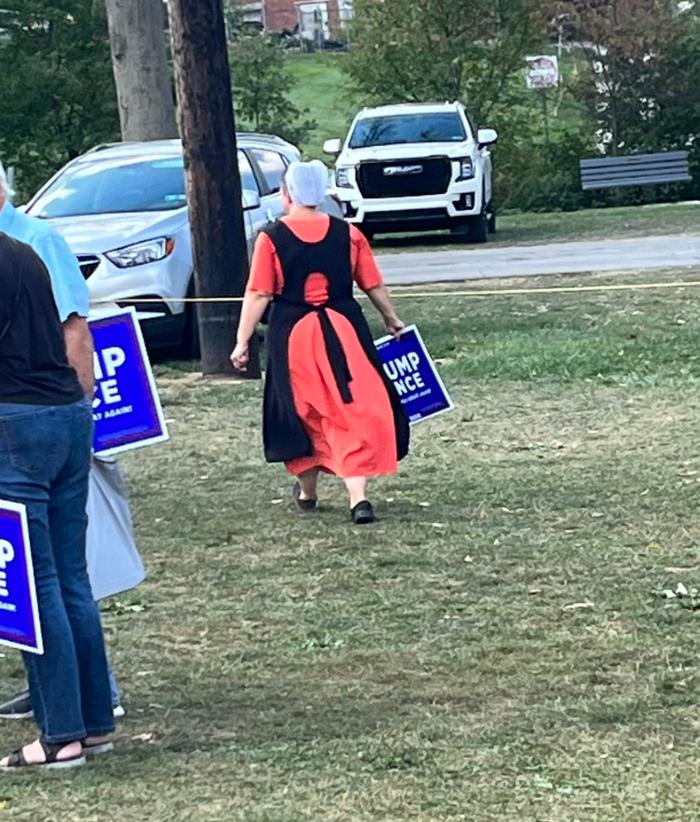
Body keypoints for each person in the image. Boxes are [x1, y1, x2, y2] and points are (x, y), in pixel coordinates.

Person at [0, 162, 126, 721]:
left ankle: (61, 731)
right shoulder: (24, 252)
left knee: (35, 577)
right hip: (61, 415)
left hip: (22, 423)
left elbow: (77, 329)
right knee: (68, 573)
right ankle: (93, 717)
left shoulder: (37, 241)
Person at [231, 160, 410, 524]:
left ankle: (308, 491)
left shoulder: (272, 237)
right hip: (345, 331)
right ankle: (357, 497)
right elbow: (371, 283)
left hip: (293, 336)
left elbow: (259, 293)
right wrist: (391, 318)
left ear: (287, 193)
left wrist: (241, 341)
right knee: (351, 408)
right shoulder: (349, 233)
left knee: (303, 410)